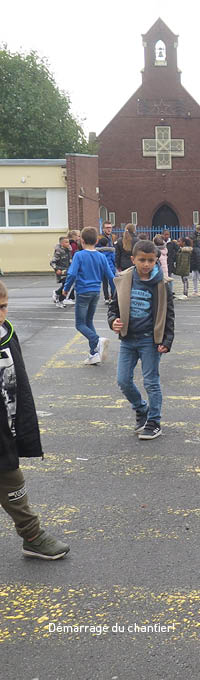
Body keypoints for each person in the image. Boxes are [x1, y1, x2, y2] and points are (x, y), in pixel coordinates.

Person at [0, 280, 70, 559]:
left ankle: (31, 536)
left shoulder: (6, 331)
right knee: (11, 478)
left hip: (5, 424)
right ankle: (32, 533)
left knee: (11, 477)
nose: (0, 314)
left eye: (3, 307)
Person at [108, 240, 174, 440]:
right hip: (128, 340)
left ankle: (154, 421)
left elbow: (169, 315)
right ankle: (141, 409)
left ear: (156, 260)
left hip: (150, 340)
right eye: (142, 260)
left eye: (150, 260)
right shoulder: (124, 280)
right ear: (133, 259)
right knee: (123, 380)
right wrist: (113, 321)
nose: (146, 264)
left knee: (151, 382)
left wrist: (167, 340)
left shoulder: (162, 284)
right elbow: (113, 308)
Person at [62, 226, 116, 365]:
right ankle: (94, 354)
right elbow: (110, 276)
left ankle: (96, 340)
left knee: (80, 324)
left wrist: (66, 289)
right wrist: (115, 291)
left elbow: (72, 273)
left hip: (83, 292)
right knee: (89, 321)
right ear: (96, 241)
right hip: (96, 292)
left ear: (83, 241)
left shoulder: (79, 255)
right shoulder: (101, 256)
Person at [97, 222, 117, 304]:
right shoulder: (99, 237)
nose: (109, 229)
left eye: (110, 227)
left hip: (111, 262)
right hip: (104, 262)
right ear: (103, 229)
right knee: (105, 282)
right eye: (107, 227)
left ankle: (112, 296)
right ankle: (106, 297)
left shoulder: (114, 237)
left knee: (112, 281)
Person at [50, 236, 71, 308]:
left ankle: (59, 296)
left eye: (68, 242)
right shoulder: (58, 252)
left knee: (67, 285)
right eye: (66, 242)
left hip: (68, 270)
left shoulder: (68, 251)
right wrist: (57, 269)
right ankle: (59, 298)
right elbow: (52, 262)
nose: (68, 243)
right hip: (61, 271)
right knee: (66, 285)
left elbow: (69, 261)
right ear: (62, 244)